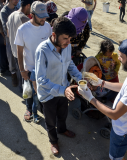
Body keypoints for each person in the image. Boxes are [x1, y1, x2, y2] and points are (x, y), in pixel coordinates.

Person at [78, 38, 127, 160]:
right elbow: (126, 87)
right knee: (118, 155)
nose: (118, 59)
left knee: (115, 157)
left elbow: (114, 115)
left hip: (123, 130)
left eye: (121, 56)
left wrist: (90, 98)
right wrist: (102, 82)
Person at [35, 17, 82, 155]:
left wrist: (80, 79)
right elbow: (41, 80)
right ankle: (53, 140)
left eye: (70, 39)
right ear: (54, 35)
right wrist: (63, 90)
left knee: (63, 114)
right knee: (50, 122)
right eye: (65, 38)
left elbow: (70, 64)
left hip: (64, 90)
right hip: (48, 94)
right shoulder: (42, 51)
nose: (69, 42)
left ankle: (62, 130)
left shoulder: (66, 47)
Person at [14, 1, 51, 123]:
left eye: (45, 16)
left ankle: (37, 109)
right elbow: (19, 52)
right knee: (29, 92)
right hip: (29, 68)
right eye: (41, 17)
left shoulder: (47, 27)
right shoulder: (22, 30)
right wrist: (22, 70)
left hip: (44, 68)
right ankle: (29, 109)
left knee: (39, 93)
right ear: (32, 15)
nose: (44, 19)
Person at [7, 0, 33, 90]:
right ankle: (25, 92)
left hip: (14, 50)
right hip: (22, 52)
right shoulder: (24, 19)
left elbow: (8, 33)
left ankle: (21, 89)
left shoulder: (11, 15)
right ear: (28, 5)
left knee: (20, 72)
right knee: (25, 76)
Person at [0, 0, 19, 86]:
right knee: (11, 57)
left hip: (19, 37)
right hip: (10, 38)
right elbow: (6, 29)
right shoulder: (4, 12)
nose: (17, 1)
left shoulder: (17, 8)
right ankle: (13, 75)